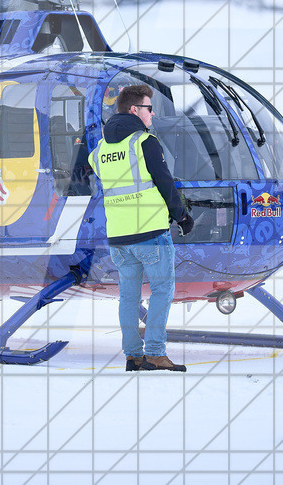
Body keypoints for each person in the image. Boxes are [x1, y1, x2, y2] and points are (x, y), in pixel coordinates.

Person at [89, 84, 193, 373]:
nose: (152, 113)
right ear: (135, 110)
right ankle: (156, 353)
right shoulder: (144, 142)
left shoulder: (100, 149)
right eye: (149, 108)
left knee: (129, 297)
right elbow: (164, 182)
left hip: (119, 237)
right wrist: (182, 216)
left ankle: (133, 355)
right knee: (162, 290)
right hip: (150, 232)